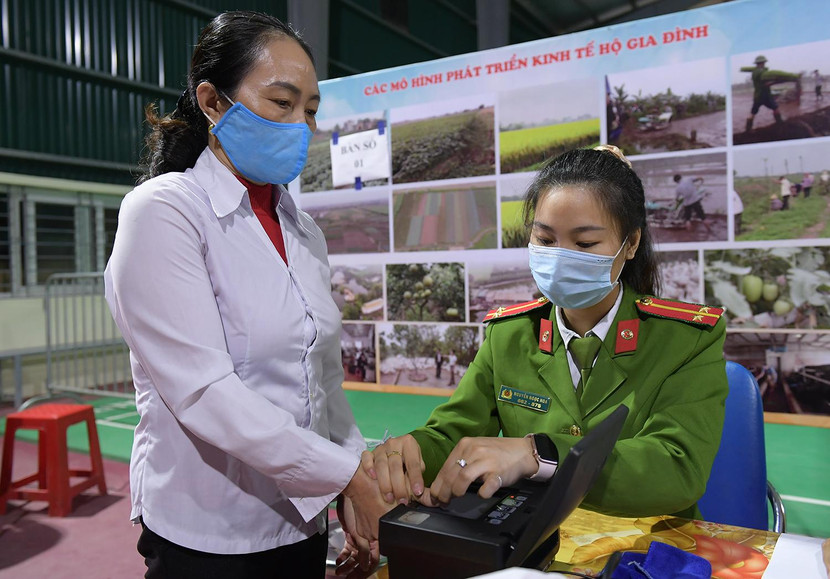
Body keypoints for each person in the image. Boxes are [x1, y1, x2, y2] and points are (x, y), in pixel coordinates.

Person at [104, 11, 385, 578]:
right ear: (213, 101)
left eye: (310, 110)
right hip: (209, 534)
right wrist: (342, 476)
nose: (301, 126)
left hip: (301, 523)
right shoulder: (166, 211)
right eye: (282, 103)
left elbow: (323, 380)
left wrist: (353, 470)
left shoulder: (302, 229)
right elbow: (204, 391)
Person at [362, 146, 728, 522]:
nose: (560, 257)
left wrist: (539, 454)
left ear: (630, 244)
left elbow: (677, 467)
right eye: (546, 240)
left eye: (585, 244)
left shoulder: (685, 339)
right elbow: (452, 435)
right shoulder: (510, 334)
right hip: (536, 540)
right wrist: (411, 454)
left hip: (647, 544)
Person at [740, 55, 792, 131]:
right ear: (761, 63)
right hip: (764, 95)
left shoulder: (754, 72)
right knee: (775, 108)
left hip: (758, 96)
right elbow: (766, 84)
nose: (764, 64)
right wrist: (777, 81)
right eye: (763, 63)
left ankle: (748, 129)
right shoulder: (762, 73)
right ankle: (779, 123)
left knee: (753, 112)